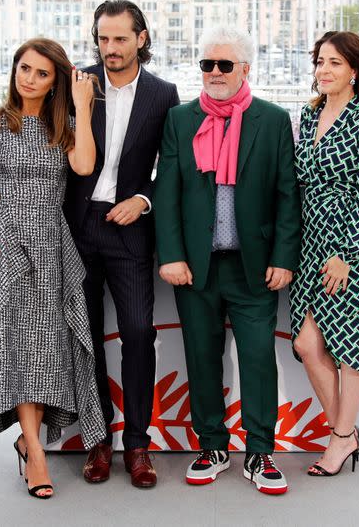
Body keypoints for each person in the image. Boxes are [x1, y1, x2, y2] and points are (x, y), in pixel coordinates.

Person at [0, 0, 180, 488]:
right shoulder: (72, 83)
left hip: (129, 228)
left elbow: (170, 169)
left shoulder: (164, 94)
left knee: (137, 334)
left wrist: (143, 199)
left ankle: (137, 444)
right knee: (81, 338)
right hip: (68, 229)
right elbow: (26, 134)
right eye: (102, 39)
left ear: (142, 39)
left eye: (119, 39)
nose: (109, 49)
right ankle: (96, 441)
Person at [0, 38, 106, 500]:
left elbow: (86, 165)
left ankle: (29, 442)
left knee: (41, 350)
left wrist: (82, 107)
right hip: (3, 242)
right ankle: (35, 451)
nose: (29, 78)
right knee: (12, 347)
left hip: (50, 246)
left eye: (41, 73)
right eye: (23, 69)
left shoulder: (66, 128)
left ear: (55, 83)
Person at [153, 25, 301, 495]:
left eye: (224, 64)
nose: (214, 73)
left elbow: (286, 195)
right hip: (196, 266)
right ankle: (212, 446)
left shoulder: (273, 120)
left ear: (245, 69)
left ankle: (260, 452)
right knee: (201, 356)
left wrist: (283, 256)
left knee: (259, 359)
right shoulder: (180, 119)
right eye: (207, 64)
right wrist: (172, 255)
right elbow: (168, 192)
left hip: (253, 265)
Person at [290, 31, 359, 477]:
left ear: (355, 70)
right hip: (310, 244)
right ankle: (345, 433)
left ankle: (339, 439)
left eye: (334, 62)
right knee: (307, 344)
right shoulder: (310, 116)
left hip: (351, 248)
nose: (324, 70)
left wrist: (346, 254)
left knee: (350, 348)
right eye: (320, 62)